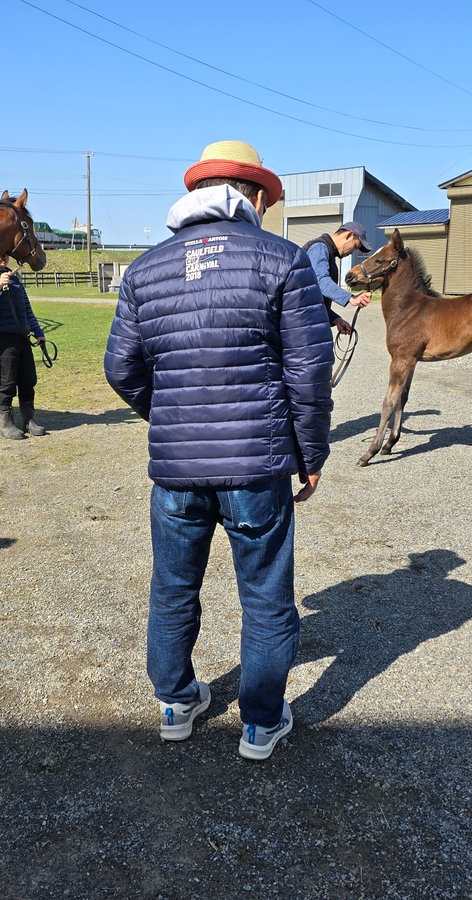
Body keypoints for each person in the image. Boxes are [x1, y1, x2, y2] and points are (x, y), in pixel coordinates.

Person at [104, 140, 334, 761]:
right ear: (252, 194)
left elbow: (121, 368)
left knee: (173, 587)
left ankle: (176, 703)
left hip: (176, 470)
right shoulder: (283, 260)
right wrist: (311, 453)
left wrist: (171, 417)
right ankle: (260, 723)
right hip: (255, 464)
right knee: (264, 594)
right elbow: (309, 372)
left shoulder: (144, 270)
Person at [0, 257, 48, 440]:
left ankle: (28, 420)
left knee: (28, 380)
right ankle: (6, 425)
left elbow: (27, 309)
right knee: (7, 383)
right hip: (1, 339)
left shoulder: (15, 279)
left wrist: (38, 332)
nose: (3, 258)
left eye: (5, 254)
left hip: (22, 337)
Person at [301, 223, 375, 335]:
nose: (352, 252)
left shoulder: (328, 252)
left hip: (309, 324)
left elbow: (314, 301)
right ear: (349, 235)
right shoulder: (319, 248)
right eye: (355, 246)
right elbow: (320, 280)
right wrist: (351, 298)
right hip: (303, 327)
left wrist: (336, 319)